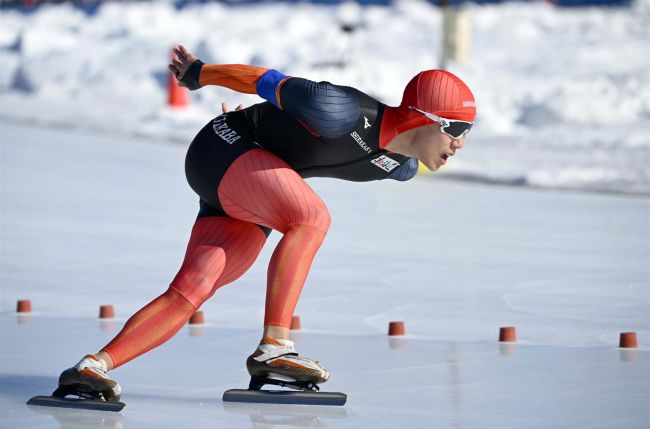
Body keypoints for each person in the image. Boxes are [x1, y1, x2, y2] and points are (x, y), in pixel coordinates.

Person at [55, 45, 476, 401]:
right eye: (456, 129)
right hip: (224, 147)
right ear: (424, 117)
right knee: (311, 217)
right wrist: (200, 73)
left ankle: (92, 369)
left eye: (467, 134)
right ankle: (275, 347)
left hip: (251, 186)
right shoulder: (341, 109)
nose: (459, 143)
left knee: (192, 290)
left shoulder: (399, 166)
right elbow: (264, 80)